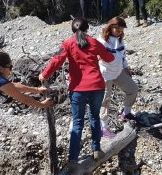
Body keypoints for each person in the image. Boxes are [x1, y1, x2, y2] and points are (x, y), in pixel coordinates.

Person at [39, 17, 114, 167]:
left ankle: (73, 158)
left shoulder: (68, 43)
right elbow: (109, 58)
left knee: (78, 122)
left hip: (78, 89)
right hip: (97, 86)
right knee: (95, 118)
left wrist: (44, 74)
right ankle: (96, 150)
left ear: (73, 30)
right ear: (87, 28)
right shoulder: (94, 42)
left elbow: (56, 60)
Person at [97, 17, 139, 138]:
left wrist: (127, 69)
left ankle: (126, 113)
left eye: (121, 30)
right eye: (117, 29)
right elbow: (95, 56)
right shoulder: (101, 41)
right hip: (105, 74)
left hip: (118, 71)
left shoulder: (120, 41)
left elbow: (123, 56)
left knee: (133, 89)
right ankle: (103, 127)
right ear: (111, 27)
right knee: (106, 100)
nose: (119, 32)